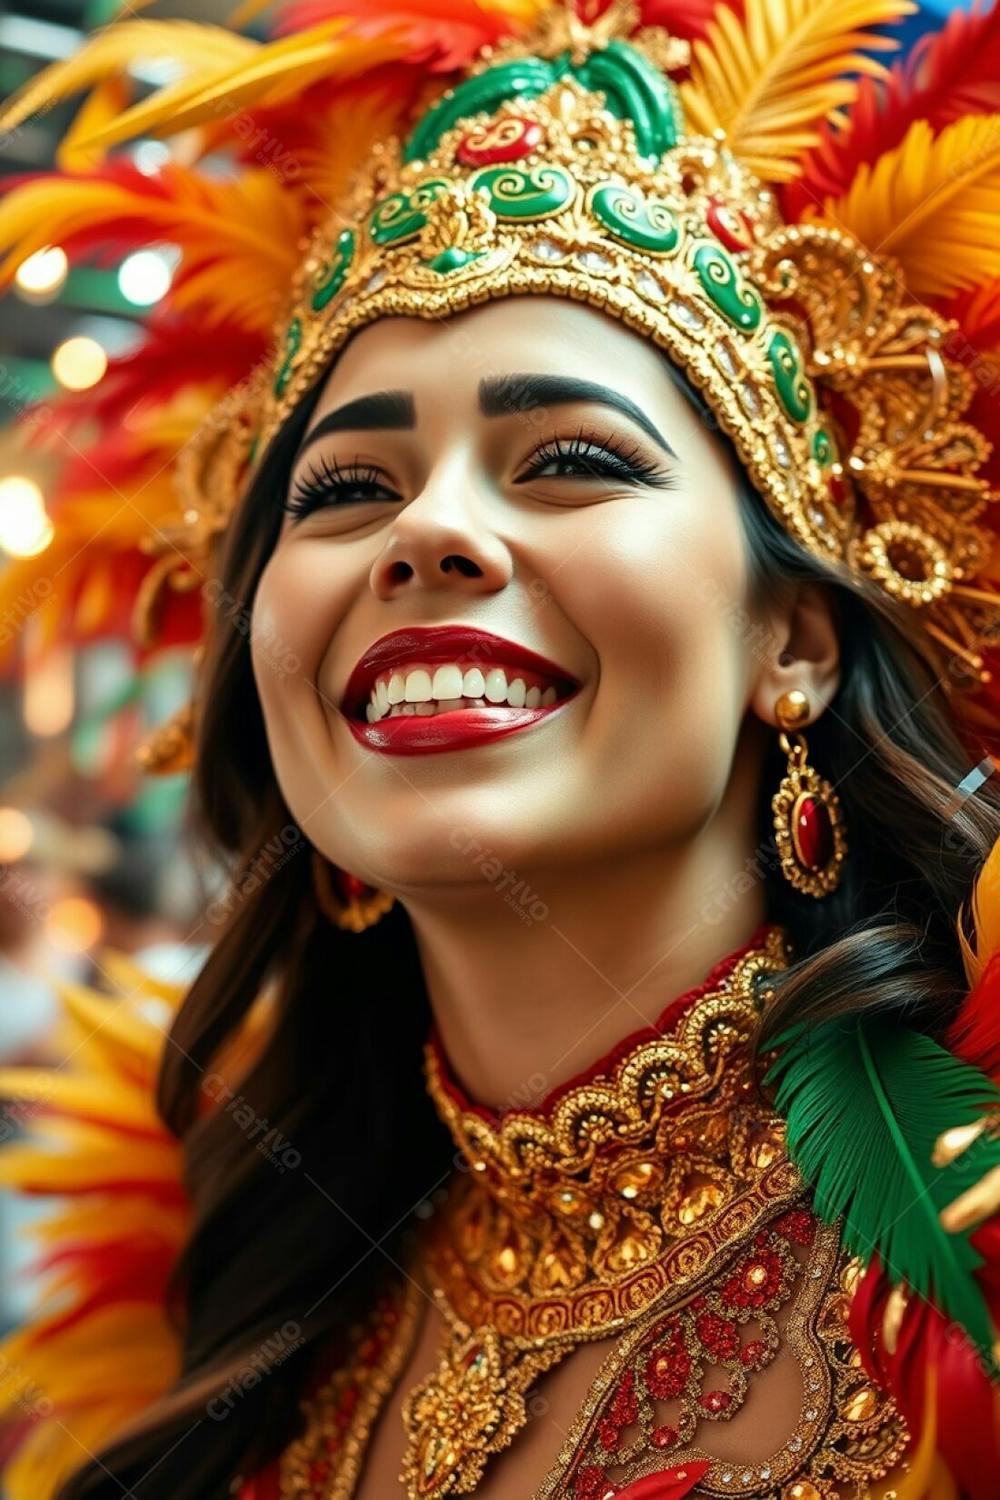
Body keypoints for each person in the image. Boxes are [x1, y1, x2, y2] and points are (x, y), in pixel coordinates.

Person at [0, 1, 999, 1497]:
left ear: (792, 643)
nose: (431, 531)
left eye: (573, 461)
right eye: (343, 488)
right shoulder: (219, 1326)